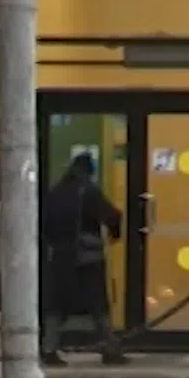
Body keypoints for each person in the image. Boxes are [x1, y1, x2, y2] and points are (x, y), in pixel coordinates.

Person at [41, 153, 126, 366]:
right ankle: (110, 348)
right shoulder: (88, 191)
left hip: (60, 257)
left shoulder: (56, 192)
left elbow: (44, 224)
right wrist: (115, 235)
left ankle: (49, 349)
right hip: (88, 258)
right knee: (98, 305)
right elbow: (113, 215)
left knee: (57, 306)